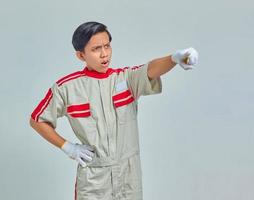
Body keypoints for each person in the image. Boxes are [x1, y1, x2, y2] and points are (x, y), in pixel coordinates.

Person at [29, 21, 199, 200]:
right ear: (81, 55)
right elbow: (37, 119)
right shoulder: (67, 88)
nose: (104, 54)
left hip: (128, 175)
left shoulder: (125, 79)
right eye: (96, 49)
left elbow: (150, 69)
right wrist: (68, 147)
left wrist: (174, 58)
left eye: (107, 46)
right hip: (94, 179)